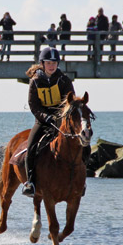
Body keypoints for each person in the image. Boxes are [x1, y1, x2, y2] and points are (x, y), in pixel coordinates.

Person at [21, 47, 76, 197]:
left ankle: (80, 181)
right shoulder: (35, 81)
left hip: (61, 120)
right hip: (42, 121)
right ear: (42, 63)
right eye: (49, 63)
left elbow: (70, 103)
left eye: (54, 63)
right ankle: (30, 183)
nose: (52, 66)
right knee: (31, 148)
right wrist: (45, 117)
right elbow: (33, 105)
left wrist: (59, 117)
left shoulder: (64, 80)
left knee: (82, 144)